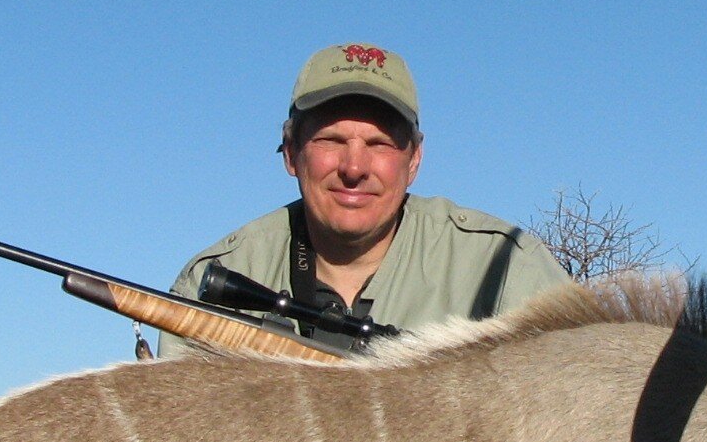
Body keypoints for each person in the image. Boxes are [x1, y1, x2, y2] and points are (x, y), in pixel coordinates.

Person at [160, 43, 570, 355]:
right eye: (331, 140)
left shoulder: (508, 271)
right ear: (290, 151)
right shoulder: (214, 279)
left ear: (414, 160)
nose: (354, 168)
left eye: (379, 144)